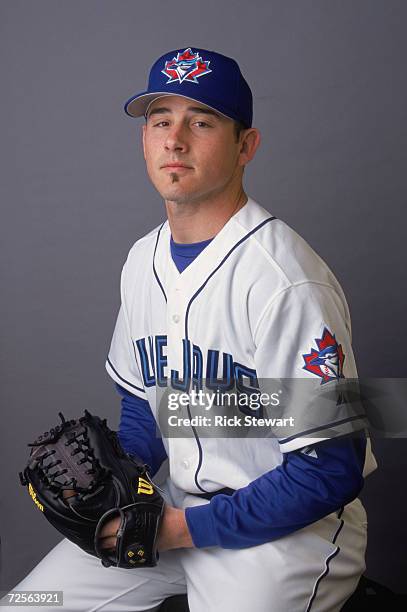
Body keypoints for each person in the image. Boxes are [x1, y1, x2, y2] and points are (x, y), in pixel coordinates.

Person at [6, 47, 376, 612]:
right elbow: (147, 410)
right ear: (145, 140)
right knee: (32, 605)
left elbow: (327, 469)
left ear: (245, 146)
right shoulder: (141, 260)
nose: (175, 140)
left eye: (201, 122)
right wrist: (114, 491)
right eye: (161, 122)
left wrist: (175, 530)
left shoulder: (285, 280)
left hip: (283, 537)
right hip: (172, 511)